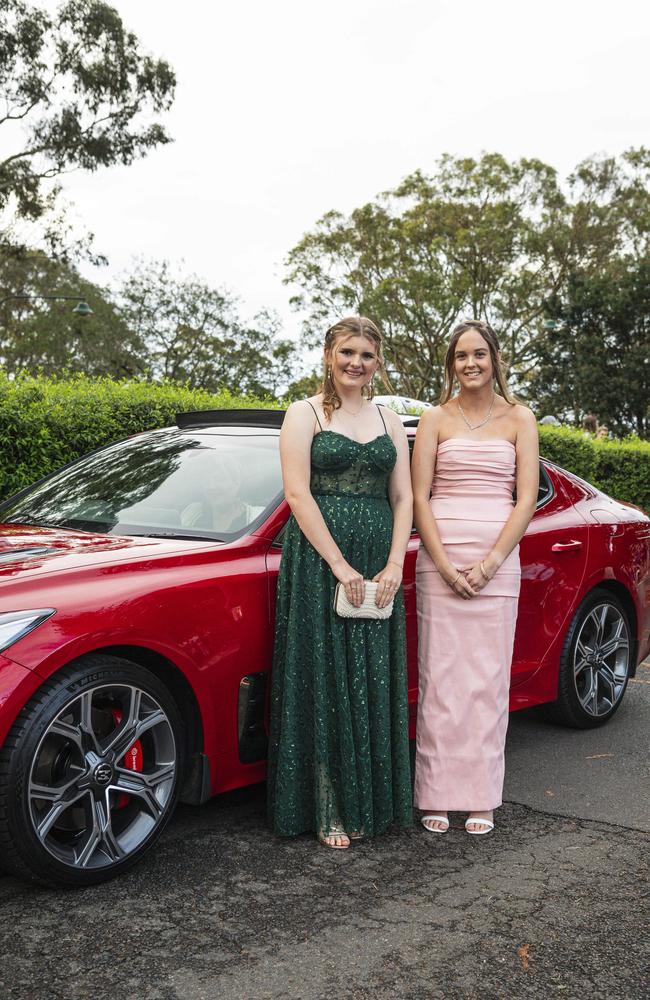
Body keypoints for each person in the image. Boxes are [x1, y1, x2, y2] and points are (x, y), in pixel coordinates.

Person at [267, 315, 413, 849]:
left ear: (378, 362)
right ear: (330, 354)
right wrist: (341, 566)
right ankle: (327, 807)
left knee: (372, 676)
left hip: (379, 555)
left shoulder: (389, 418)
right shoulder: (303, 413)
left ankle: (369, 804)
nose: (356, 363)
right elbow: (298, 495)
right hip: (321, 560)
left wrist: (395, 562)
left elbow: (403, 497)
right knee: (326, 677)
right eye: (347, 352)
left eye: (367, 355)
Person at [411, 319, 539, 835]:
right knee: (440, 680)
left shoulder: (520, 419)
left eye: (479, 355)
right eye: (461, 356)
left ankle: (482, 795)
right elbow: (419, 497)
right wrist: (443, 563)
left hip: (497, 561)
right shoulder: (434, 419)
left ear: (494, 359)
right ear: (451, 365)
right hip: (439, 560)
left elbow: (525, 498)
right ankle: (436, 793)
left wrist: (489, 565)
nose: (470, 364)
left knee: (486, 681)